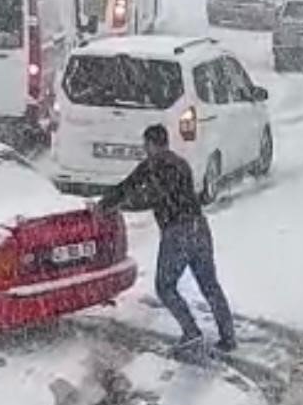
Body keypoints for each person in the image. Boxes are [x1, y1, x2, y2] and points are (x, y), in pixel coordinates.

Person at [96, 124, 236, 352]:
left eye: (146, 145)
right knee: (209, 285)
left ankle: (191, 332)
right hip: (199, 227)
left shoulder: (157, 166)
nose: (145, 150)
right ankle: (228, 337)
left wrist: (113, 206)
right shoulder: (178, 164)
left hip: (178, 232)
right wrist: (108, 202)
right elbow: (130, 186)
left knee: (165, 286)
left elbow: (144, 195)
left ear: (151, 144)